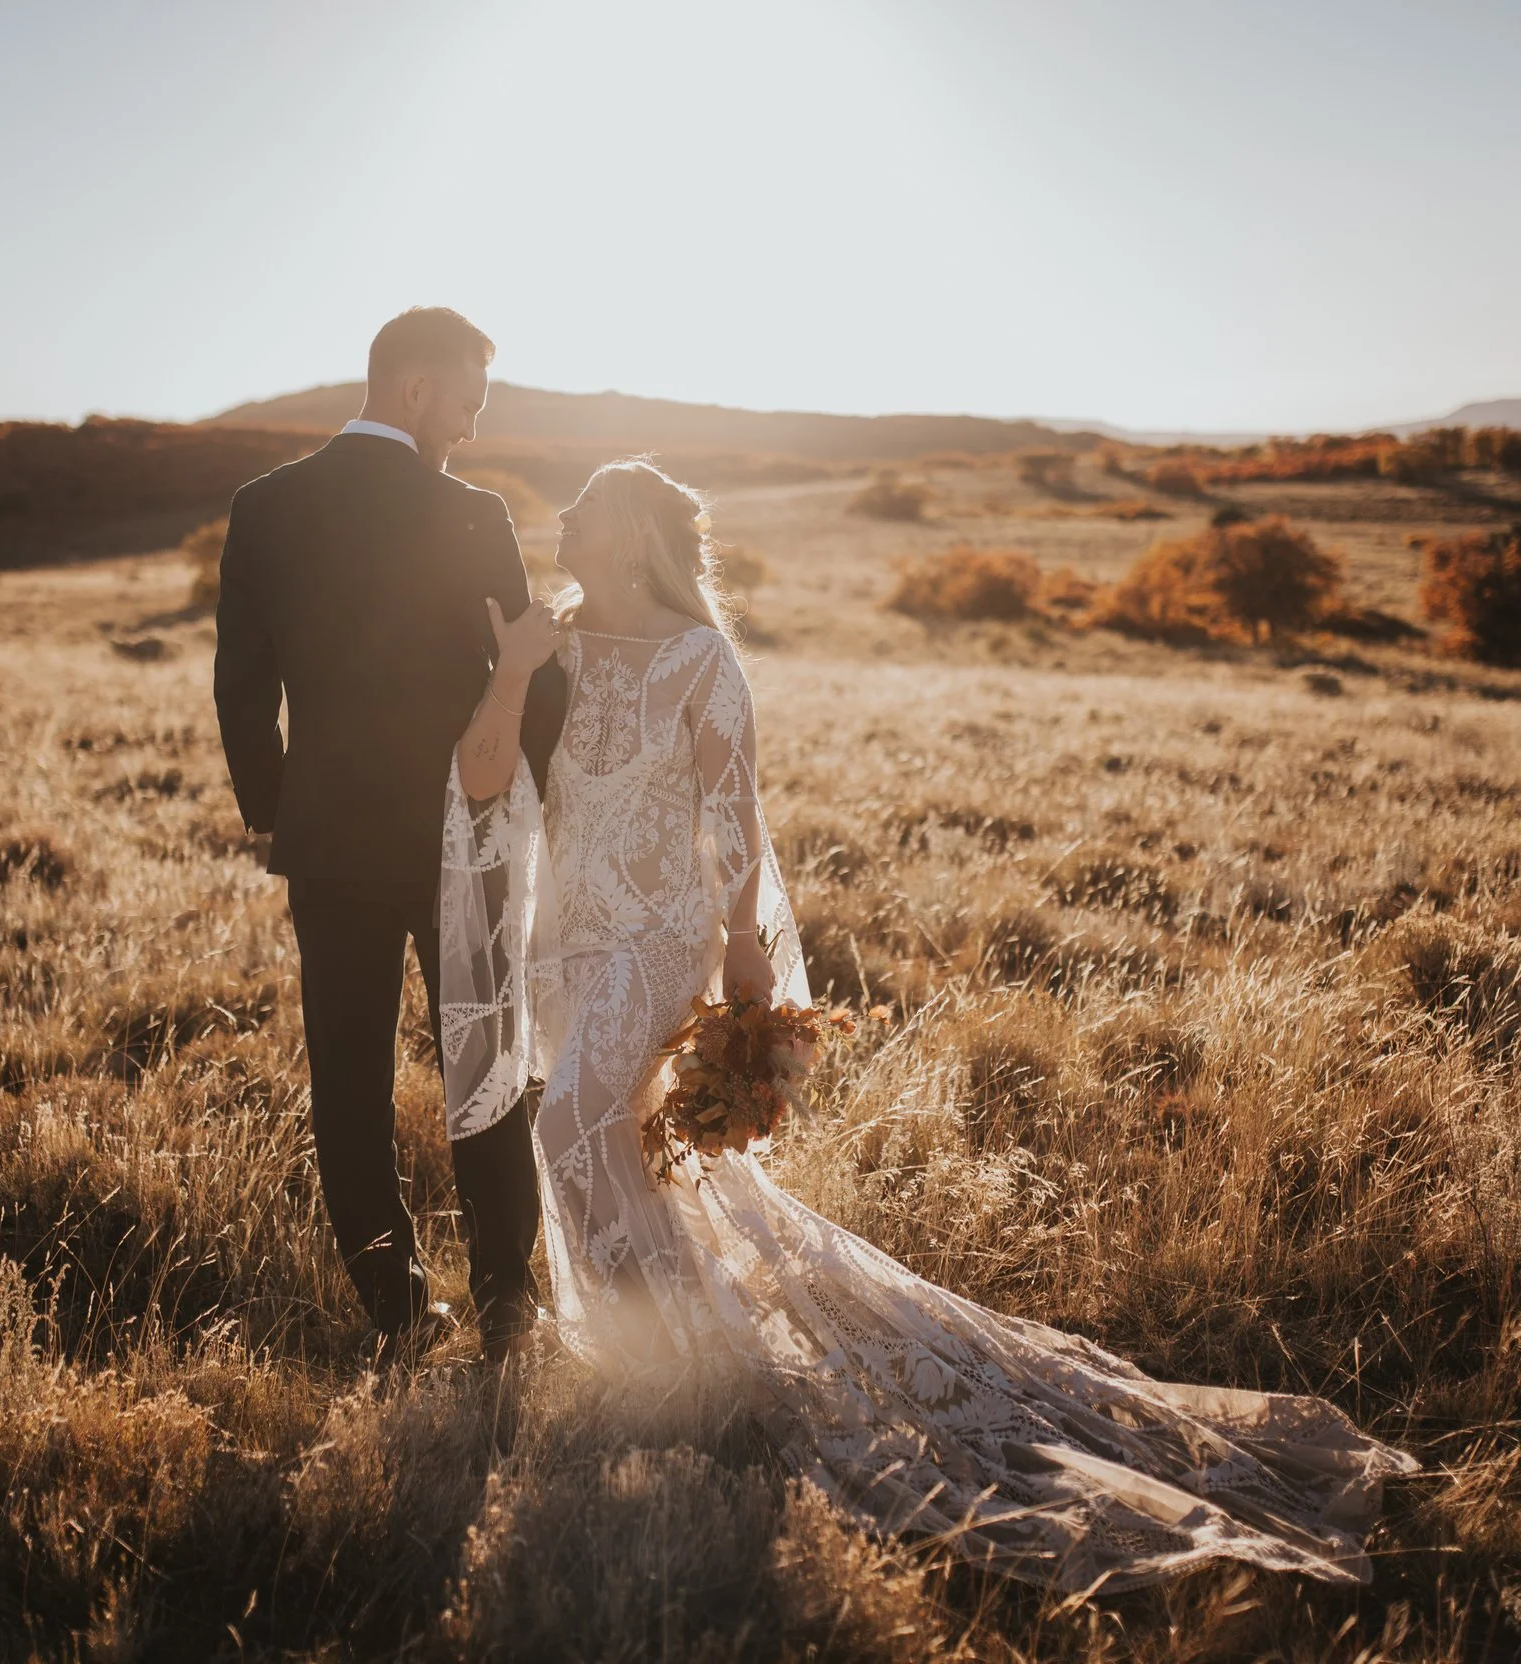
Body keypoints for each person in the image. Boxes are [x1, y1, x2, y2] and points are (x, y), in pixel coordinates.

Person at [436, 458, 1418, 1593]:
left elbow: (734, 822)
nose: (565, 517)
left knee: (567, 1124)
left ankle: (678, 1363)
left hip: (657, 940)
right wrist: (510, 669)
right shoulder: (545, 640)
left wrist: (745, 954)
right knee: (622, 1149)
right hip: (568, 940)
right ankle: (670, 1365)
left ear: (634, 537)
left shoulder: (699, 657)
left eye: (587, 504)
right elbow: (477, 775)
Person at [213, 306, 563, 1366]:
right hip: (465, 834)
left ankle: (396, 1307)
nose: (468, 426)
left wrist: (279, 807)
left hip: (327, 843)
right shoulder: (472, 514)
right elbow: (525, 674)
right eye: (464, 403)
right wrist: (552, 807)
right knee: (488, 1059)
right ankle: (507, 1298)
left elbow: (241, 683)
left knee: (349, 1077)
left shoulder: (263, 506)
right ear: (412, 389)